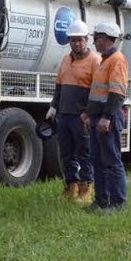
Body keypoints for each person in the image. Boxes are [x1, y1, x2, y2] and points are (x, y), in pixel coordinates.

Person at [46, 19, 101, 206]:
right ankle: (71, 186)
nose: (77, 43)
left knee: (84, 153)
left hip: (81, 117)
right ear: (69, 41)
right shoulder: (65, 60)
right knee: (66, 153)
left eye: (80, 39)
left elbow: (97, 91)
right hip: (64, 115)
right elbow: (60, 86)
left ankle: (87, 189)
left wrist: (88, 113)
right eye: (73, 40)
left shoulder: (95, 61)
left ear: (87, 40)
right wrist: (53, 107)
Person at [83, 21, 131, 211]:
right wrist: (88, 113)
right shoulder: (104, 60)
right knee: (97, 160)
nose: (94, 41)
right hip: (97, 117)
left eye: (96, 38)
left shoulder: (117, 60)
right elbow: (96, 92)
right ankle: (102, 200)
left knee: (111, 161)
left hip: (107, 119)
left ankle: (118, 202)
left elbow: (117, 92)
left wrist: (107, 117)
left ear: (104, 39)